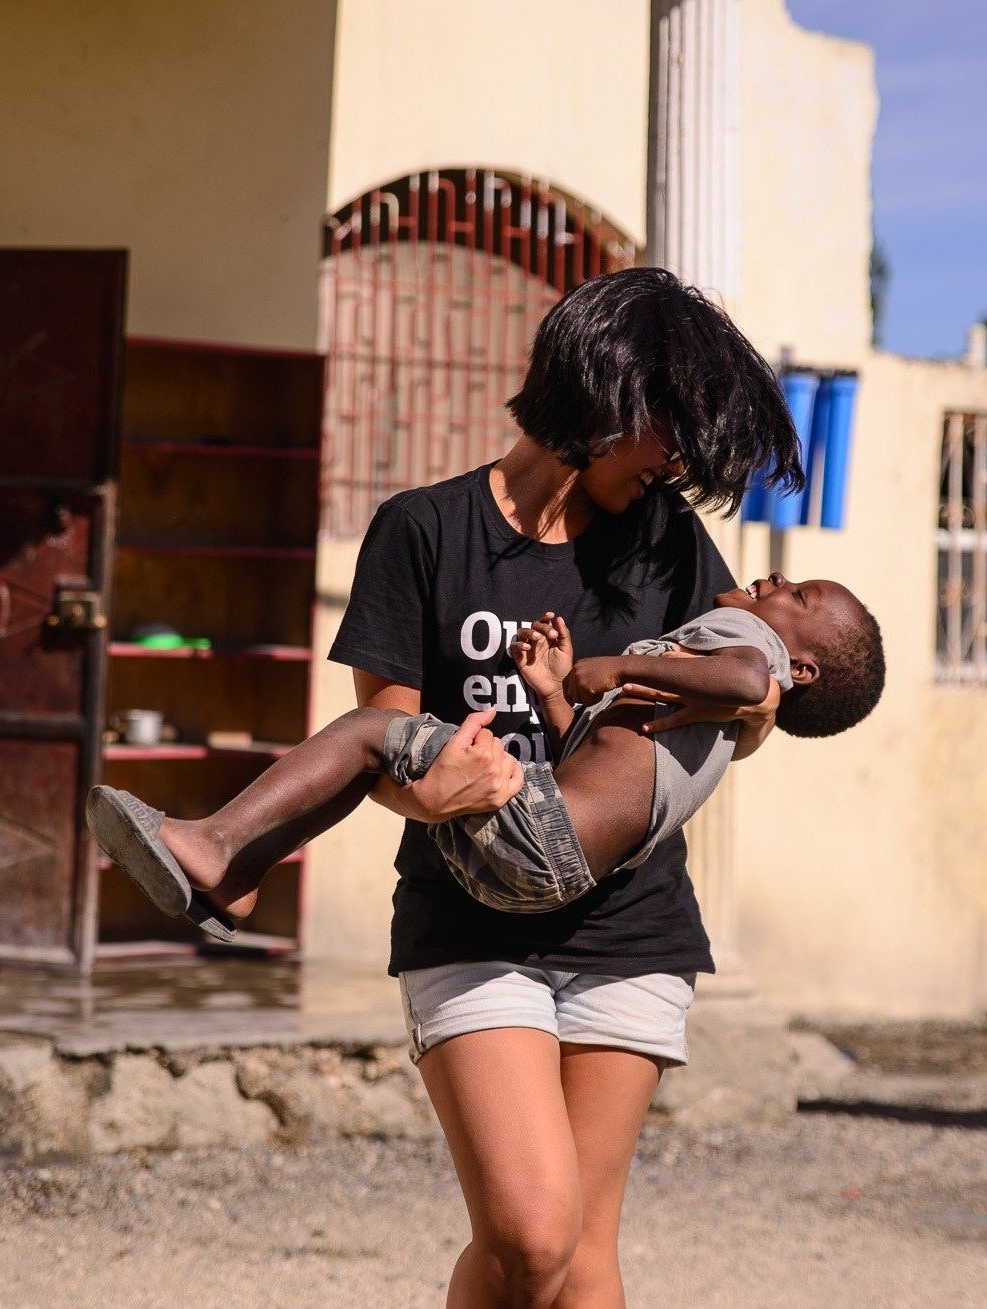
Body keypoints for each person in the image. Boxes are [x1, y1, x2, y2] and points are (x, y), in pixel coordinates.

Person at [124, 265, 807, 1307]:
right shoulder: (423, 530)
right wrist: (434, 796)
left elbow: (721, 718)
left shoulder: (667, 539)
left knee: (580, 1254)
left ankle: (223, 854)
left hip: (632, 927)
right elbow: (390, 751)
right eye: (666, 431)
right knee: (530, 1234)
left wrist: (752, 717)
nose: (674, 464)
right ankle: (224, 853)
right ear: (605, 398)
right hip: (468, 918)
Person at [85, 573, 885, 940]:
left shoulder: (748, 651)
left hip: (542, 839)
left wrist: (620, 664)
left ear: (799, 666)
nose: (779, 580)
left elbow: (749, 676)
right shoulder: (711, 703)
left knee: (373, 730)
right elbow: (592, 757)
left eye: (801, 597)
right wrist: (552, 695)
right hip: (545, 871)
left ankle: (215, 842)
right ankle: (242, 876)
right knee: (384, 754)